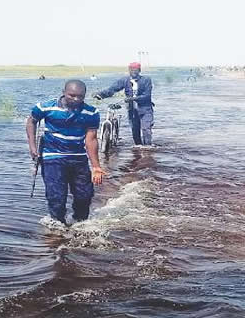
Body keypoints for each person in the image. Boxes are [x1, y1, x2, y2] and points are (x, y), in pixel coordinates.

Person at [26, 79, 104, 225]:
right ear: (63, 93)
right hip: (52, 156)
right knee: (57, 196)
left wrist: (96, 167)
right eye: (72, 95)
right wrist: (32, 146)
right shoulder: (45, 108)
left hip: (78, 157)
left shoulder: (91, 112)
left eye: (80, 96)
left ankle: (79, 223)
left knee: (84, 196)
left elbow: (91, 140)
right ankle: (57, 227)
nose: (76, 99)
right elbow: (31, 121)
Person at [93, 62, 154, 146]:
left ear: (139, 70)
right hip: (132, 110)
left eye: (136, 70)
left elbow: (147, 95)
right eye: (131, 70)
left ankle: (148, 149)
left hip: (145, 109)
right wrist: (100, 94)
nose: (133, 72)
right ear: (129, 70)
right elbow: (112, 89)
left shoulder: (146, 80)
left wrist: (132, 99)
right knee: (135, 130)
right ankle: (138, 149)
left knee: (146, 129)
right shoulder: (124, 80)